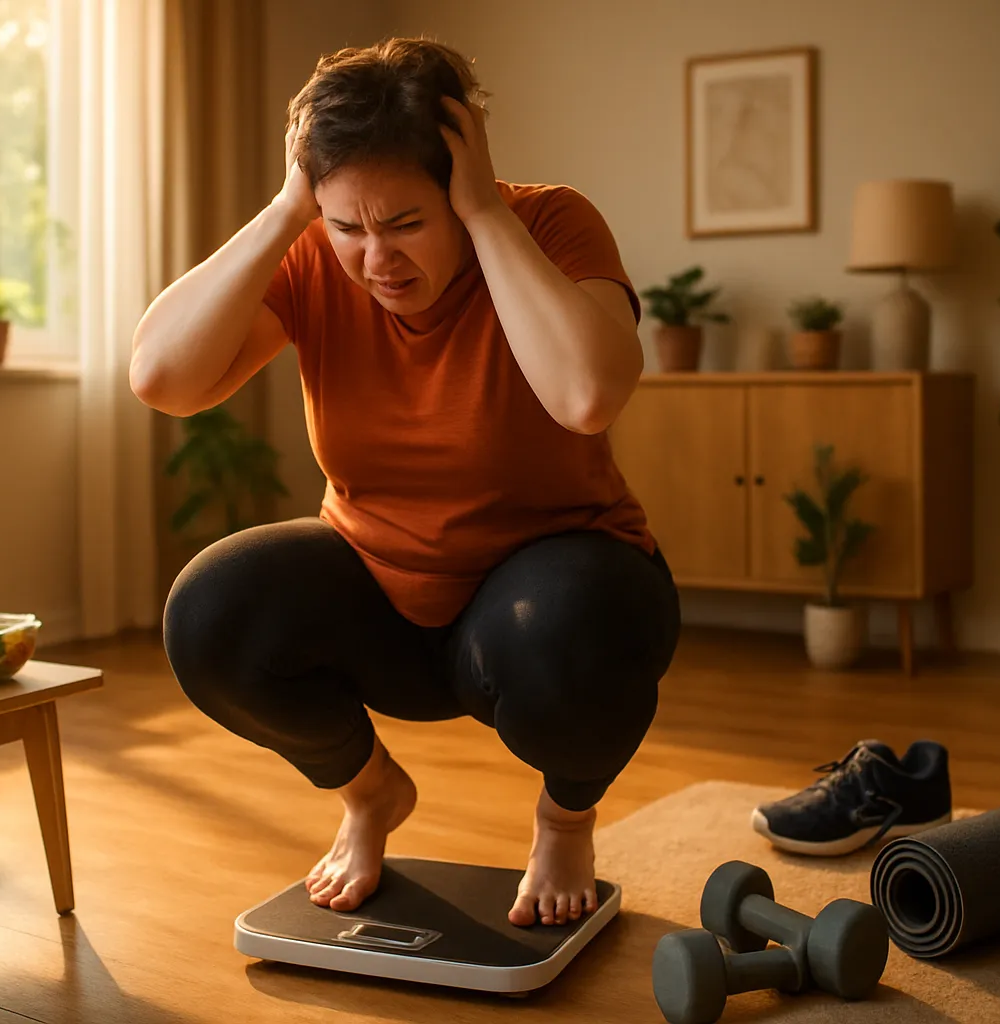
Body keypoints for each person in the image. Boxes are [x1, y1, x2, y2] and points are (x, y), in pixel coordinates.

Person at [131, 37, 680, 929]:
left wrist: (488, 218)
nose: (374, 259)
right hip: (384, 605)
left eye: (407, 224)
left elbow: (586, 396)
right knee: (211, 611)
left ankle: (564, 819)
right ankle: (369, 793)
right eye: (348, 226)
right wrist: (285, 212)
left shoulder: (547, 224)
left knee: (574, 630)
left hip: (537, 608)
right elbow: (163, 380)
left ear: (463, 185)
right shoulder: (312, 253)